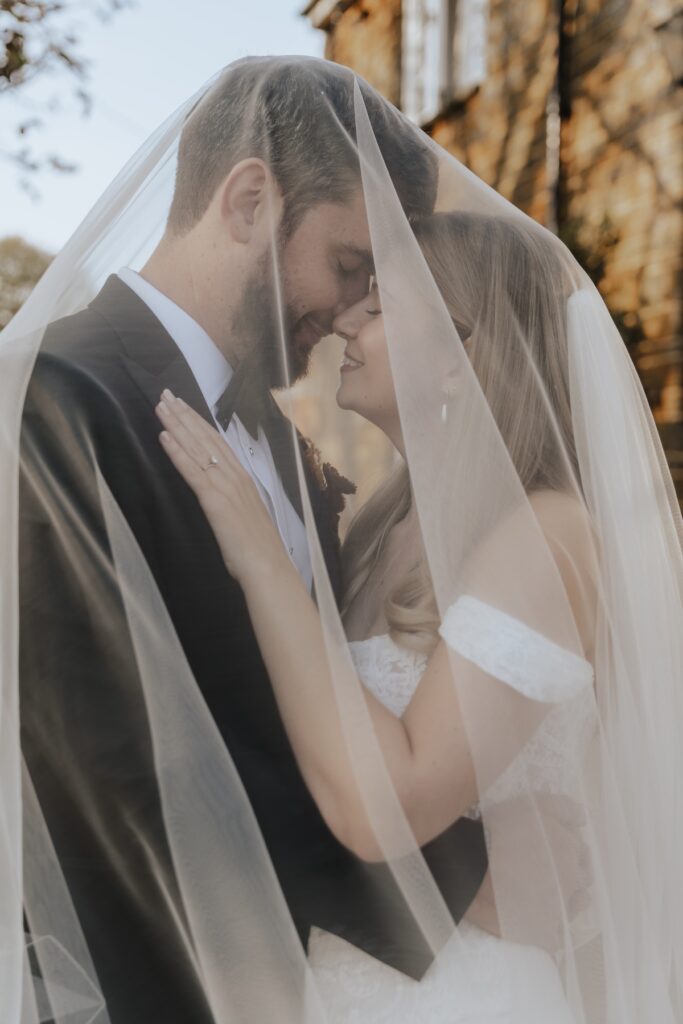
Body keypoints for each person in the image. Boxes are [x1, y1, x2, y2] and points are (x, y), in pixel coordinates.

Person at [14, 58, 487, 1024]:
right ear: (247, 199)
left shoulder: (285, 444)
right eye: (349, 265)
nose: (350, 311)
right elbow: (110, 783)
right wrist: (469, 880)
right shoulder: (53, 403)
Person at [156, 205, 683, 1021]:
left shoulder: (544, 534)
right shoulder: (372, 529)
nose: (342, 322)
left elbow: (391, 803)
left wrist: (261, 563)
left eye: (378, 303)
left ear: (458, 360)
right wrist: (474, 865)